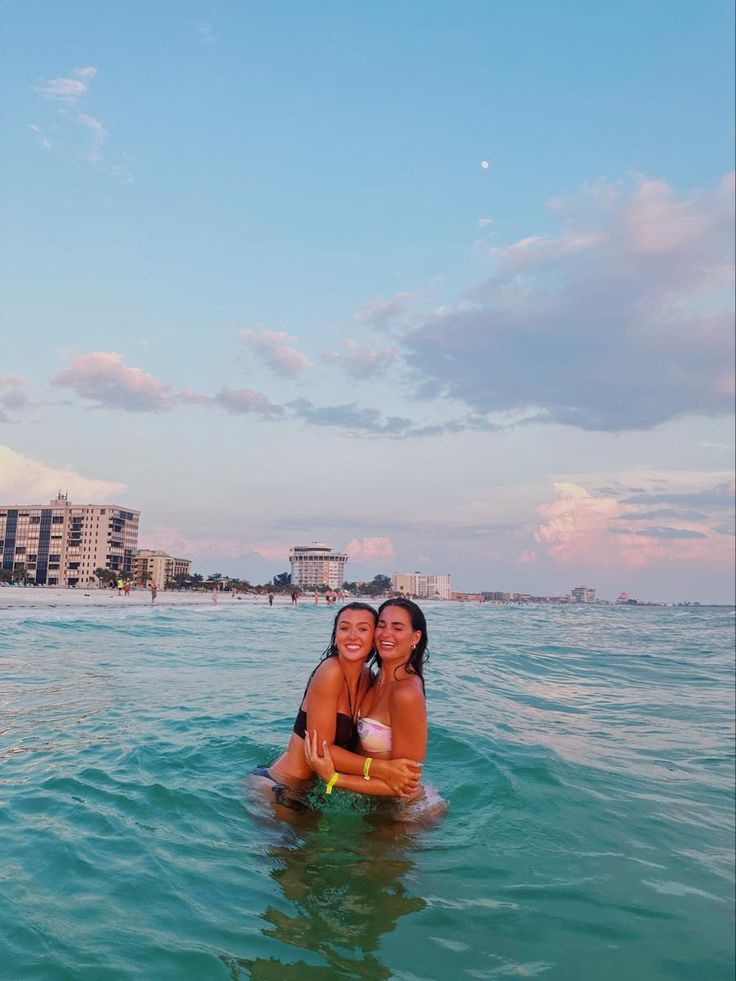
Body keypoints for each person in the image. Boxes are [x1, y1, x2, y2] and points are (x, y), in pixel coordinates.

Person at [249, 602, 422, 812]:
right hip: (281, 788)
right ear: (335, 635)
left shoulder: (369, 678)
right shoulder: (330, 672)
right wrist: (384, 769)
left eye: (363, 629)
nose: (352, 636)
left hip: (312, 791)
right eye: (344, 628)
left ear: (372, 638)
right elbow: (320, 752)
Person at [305, 598, 431, 813]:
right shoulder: (374, 680)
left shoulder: (406, 693)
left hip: (403, 812)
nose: (386, 633)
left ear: (415, 637)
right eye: (381, 625)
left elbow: (406, 782)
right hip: (371, 803)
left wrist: (336, 778)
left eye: (397, 627)